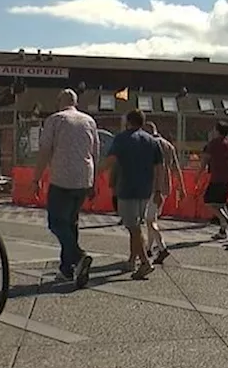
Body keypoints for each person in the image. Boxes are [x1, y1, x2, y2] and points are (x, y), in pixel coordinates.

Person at [33, 88, 99, 288]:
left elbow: (45, 151)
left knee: (56, 222)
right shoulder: (89, 121)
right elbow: (95, 152)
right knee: (71, 222)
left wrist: (36, 178)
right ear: (76, 102)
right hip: (83, 178)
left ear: (60, 101)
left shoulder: (55, 120)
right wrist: (93, 182)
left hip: (62, 178)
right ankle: (66, 269)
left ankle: (78, 256)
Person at [103, 109, 163, 280]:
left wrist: (94, 174)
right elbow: (159, 169)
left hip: (126, 188)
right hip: (145, 189)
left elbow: (110, 161)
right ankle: (131, 260)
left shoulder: (122, 138)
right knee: (136, 225)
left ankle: (145, 261)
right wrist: (158, 190)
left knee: (133, 227)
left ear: (128, 121)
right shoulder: (152, 141)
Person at [143, 121, 182, 264]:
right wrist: (181, 187)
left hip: (153, 186)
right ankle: (149, 247)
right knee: (152, 218)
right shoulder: (168, 145)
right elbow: (176, 167)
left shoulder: (149, 144)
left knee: (149, 219)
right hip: (165, 186)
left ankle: (162, 247)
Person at [198, 122, 228, 241]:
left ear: (217, 131)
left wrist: (198, 174)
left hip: (216, 178)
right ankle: (222, 231)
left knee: (208, 201)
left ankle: (226, 221)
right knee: (220, 203)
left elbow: (205, 160)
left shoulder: (213, 144)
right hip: (227, 180)